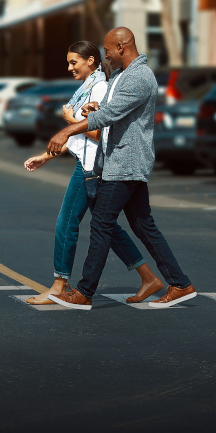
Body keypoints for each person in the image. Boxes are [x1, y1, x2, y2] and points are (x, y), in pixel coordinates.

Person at [44, 27, 196, 310]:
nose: (105, 55)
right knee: (143, 225)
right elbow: (113, 111)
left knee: (101, 224)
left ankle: (84, 292)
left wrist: (67, 131)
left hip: (125, 163)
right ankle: (180, 284)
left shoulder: (140, 76)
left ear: (123, 46)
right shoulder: (122, 76)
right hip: (123, 161)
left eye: (108, 49)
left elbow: (112, 115)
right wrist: (94, 108)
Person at [23, 41, 162, 305]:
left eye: (74, 62)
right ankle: (148, 277)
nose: (69, 68)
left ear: (90, 60)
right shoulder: (90, 85)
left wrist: (70, 122)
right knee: (106, 226)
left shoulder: (99, 87)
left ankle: (58, 285)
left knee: (66, 222)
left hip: (92, 167)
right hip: (87, 163)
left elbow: (99, 134)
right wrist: (45, 156)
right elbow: (79, 139)